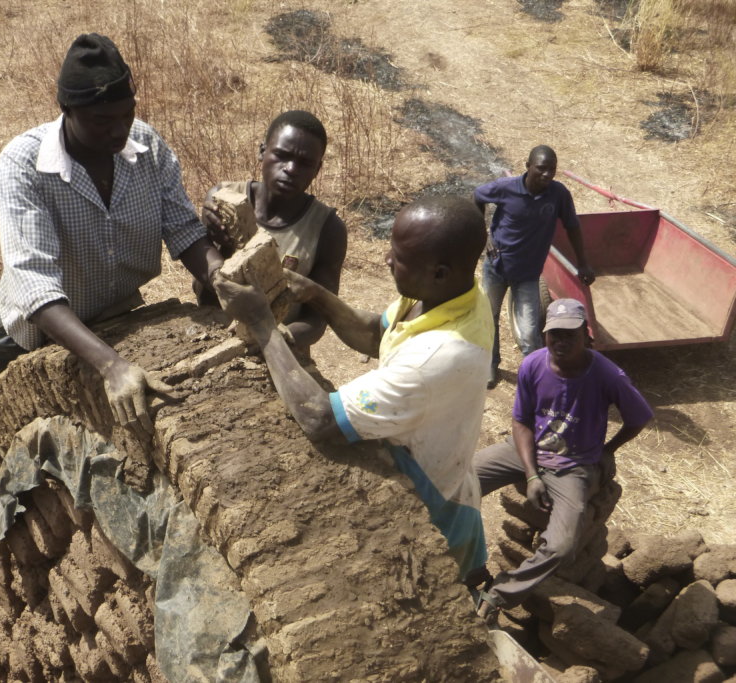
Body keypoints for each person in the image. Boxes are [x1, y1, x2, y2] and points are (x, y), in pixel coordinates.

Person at [0, 34, 224, 476]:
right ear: (67, 111)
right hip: (39, 318)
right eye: (103, 120)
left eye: (127, 114)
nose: (119, 130)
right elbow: (34, 281)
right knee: (1, 393)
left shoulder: (146, 148)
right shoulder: (23, 165)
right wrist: (112, 365)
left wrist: (222, 277)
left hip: (114, 305)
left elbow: (183, 229)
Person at [215, 196, 493, 581]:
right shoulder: (452, 295)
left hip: (433, 510)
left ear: (440, 272)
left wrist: (262, 324)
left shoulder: (439, 357)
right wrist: (317, 295)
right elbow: (376, 333)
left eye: (399, 256)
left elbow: (318, 417)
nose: (386, 260)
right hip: (437, 468)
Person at [473, 298, 653, 620]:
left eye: (570, 334)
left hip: (573, 466)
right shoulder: (533, 365)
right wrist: (530, 475)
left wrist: (608, 449)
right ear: (545, 335)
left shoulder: (607, 375)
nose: (561, 341)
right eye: (554, 333)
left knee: (563, 544)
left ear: (586, 335)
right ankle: (468, 566)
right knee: (463, 477)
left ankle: (500, 594)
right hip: (528, 450)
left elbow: (639, 417)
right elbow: (521, 422)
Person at [199, 110, 347, 352]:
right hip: (211, 338)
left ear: (317, 169)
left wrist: (274, 339)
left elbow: (317, 319)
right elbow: (203, 279)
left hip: (281, 349)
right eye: (281, 155)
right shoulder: (223, 198)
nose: (290, 169)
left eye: (305, 163)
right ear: (262, 151)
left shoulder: (327, 228)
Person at [475, 145, 595, 389]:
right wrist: (484, 235)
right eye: (541, 168)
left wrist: (582, 263)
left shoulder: (558, 194)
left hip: (528, 275)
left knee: (531, 333)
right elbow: (478, 196)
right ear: (527, 166)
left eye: (552, 170)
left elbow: (572, 227)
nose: (547, 175)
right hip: (496, 269)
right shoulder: (505, 188)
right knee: (488, 320)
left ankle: (538, 378)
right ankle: (490, 365)